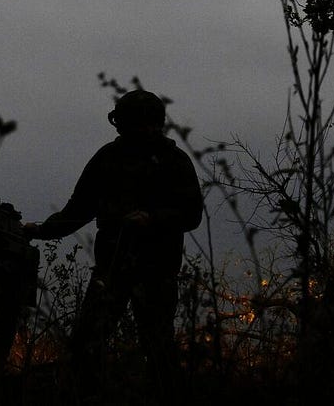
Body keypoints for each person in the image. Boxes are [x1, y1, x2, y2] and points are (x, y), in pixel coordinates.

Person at [24, 88, 203, 400]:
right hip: (112, 269)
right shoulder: (108, 159)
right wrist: (41, 230)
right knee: (85, 344)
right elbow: (78, 210)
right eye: (129, 124)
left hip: (156, 271)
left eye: (142, 124)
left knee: (159, 349)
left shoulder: (174, 162)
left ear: (155, 124)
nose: (136, 131)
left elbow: (191, 214)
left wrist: (153, 219)